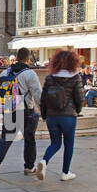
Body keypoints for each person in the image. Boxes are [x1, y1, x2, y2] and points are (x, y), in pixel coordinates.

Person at [0, 46, 43, 180]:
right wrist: (43, 111)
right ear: (28, 59)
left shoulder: (5, 72)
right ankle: (29, 167)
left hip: (8, 107)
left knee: (6, 138)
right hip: (24, 110)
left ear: (16, 58)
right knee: (29, 139)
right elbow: (38, 94)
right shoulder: (29, 74)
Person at [37, 48, 84, 182]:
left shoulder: (50, 77)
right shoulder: (75, 77)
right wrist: (78, 111)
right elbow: (79, 97)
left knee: (55, 143)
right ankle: (65, 172)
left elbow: (43, 98)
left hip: (52, 116)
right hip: (68, 116)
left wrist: (44, 114)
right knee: (69, 144)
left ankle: (44, 161)